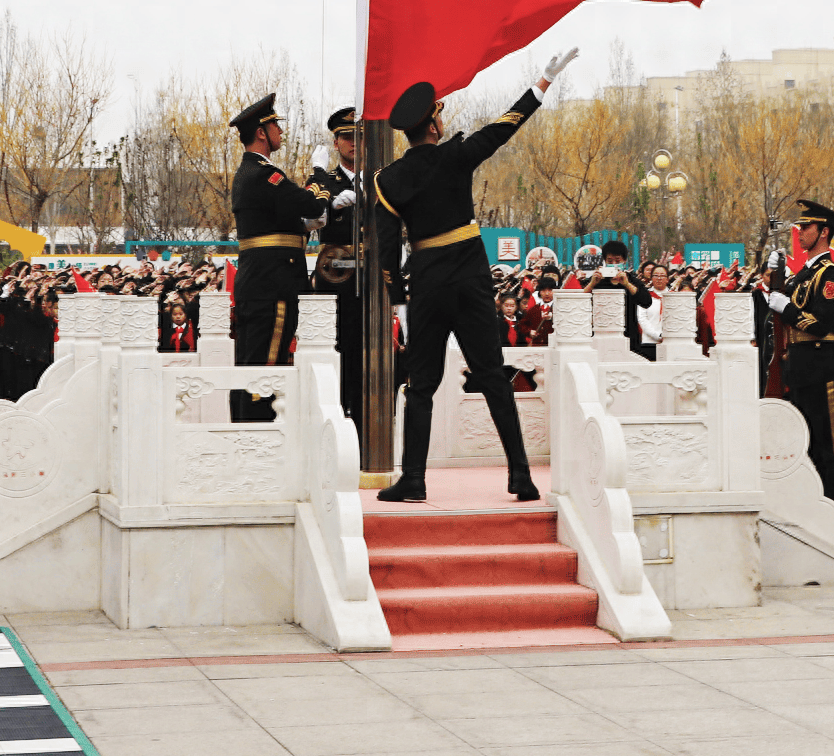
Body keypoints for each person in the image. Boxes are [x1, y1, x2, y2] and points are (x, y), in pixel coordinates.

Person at [373, 49, 578, 503]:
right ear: (432, 125)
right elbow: (505, 126)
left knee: (421, 386)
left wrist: (398, 299)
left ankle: (414, 478)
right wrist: (541, 83)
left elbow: (388, 250)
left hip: (426, 285)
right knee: (491, 374)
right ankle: (520, 475)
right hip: (469, 280)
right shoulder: (455, 157)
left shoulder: (387, 181)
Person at [229, 92, 330, 421]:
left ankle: (248, 435)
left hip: (261, 284)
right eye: (276, 125)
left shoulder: (252, 174)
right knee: (264, 370)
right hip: (272, 288)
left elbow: (292, 218)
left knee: (251, 366)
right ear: (261, 131)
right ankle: (256, 441)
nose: (281, 132)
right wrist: (319, 173)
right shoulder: (264, 174)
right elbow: (313, 204)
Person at [762, 200, 834, 507]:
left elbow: (823, 323)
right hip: (802, 364)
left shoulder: (828, 275)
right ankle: (815, 503)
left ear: (824, 232)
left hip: (822, 363)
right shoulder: (803, 274)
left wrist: (786, 308)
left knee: (830, 443)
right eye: (799, 227)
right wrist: (776, 277)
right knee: (808, 442)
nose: (799, 233)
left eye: (807, 228)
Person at [307, 106, 366, 419]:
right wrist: (329, 202)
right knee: (338, 348)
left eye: (358, 136)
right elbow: (307, 217)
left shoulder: (378, 178)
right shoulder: (324, 181)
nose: (352, 143)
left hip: (370, 278)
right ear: (336, 143)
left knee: (369, 353)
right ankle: (335, 416)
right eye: (346, 137)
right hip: (336, 276)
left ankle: (366, 421)